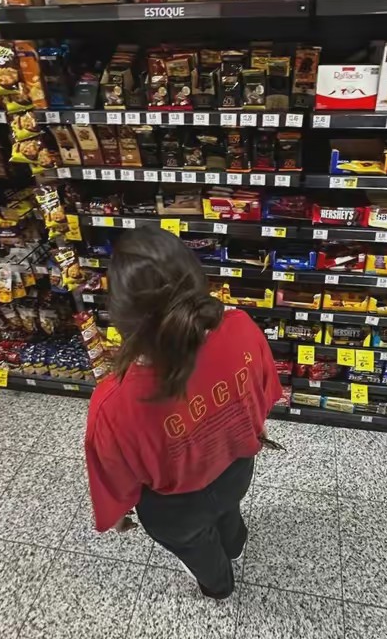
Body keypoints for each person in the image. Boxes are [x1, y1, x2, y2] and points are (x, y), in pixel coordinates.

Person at [84, 226, 282, 600]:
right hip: (236, 469)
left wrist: (120, 513)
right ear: (195, 279)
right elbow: (264, 392)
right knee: (228, 509)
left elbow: (115, 479)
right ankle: (236, 543)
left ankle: (219, 586)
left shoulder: (111, 403)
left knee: (195, 546)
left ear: (122, 315)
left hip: (175, 507)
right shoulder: (242, 327)